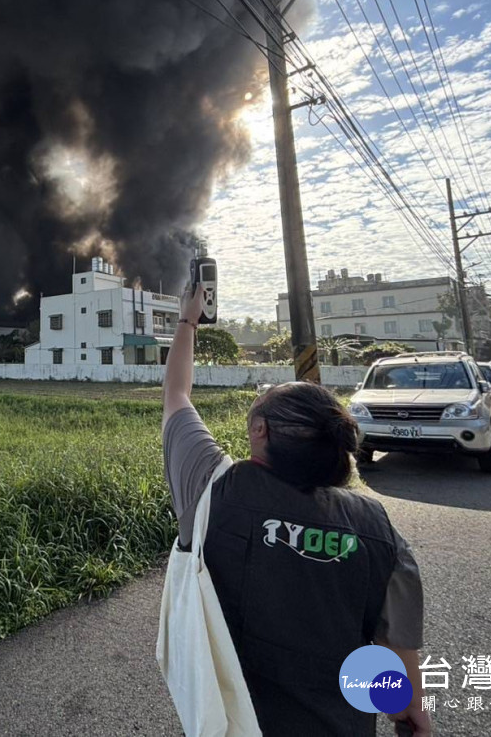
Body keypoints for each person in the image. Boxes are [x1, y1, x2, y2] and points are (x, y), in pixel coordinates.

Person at [162, 283, 432, 736]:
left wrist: (189, 320)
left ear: (260, 430)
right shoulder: (376, 527)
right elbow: (395, 641)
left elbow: (176, 395)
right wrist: (410, 709)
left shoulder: (212, 491)